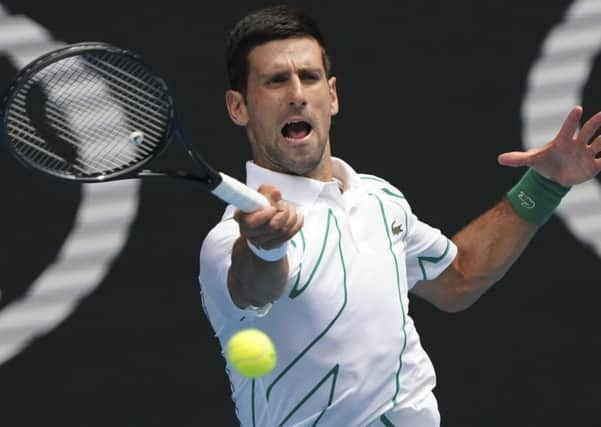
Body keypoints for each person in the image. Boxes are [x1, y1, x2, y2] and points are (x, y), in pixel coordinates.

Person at [198, 5, 601, 426]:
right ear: (238, 107)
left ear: (331, 95)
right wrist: (264, 248)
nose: (297, 93)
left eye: (310, 77)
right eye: (276, 80)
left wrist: (546, 183)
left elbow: (459, 277)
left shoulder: (378, 198)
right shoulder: (229, 241)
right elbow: (254, 289)